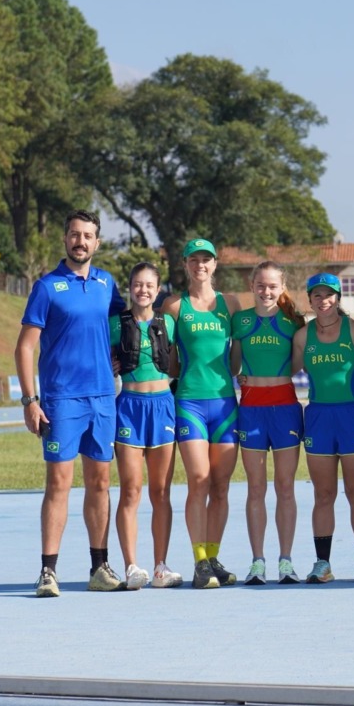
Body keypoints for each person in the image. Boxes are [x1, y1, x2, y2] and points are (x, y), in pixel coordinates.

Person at [16, 209, 127, 597]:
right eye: (75, 235)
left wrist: (119, 355)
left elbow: (121, 327)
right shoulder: (47, 287)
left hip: (102, 398)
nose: (81, 241)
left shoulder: (106, 284)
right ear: (66, 239)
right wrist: (31, 400)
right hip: (62, 400)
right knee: (58, 484)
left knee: (100, 483)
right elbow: (25, 347)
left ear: (97, 243)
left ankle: (99, 567)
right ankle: (48, 571)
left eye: (88, 236)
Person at [160, 238, 242, 589]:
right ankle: (198, 562)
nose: (200, 265)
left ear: (215, 263)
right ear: (186, 264)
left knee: (221, 487)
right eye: (194, 260)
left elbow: (237, 359)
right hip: (190, 403)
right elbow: (167, 357)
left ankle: (212, 557)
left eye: (206, 259)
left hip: (225, 404)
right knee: (199, 479)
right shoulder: (175, 306)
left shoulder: (231, 304)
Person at [296, 273, 354, 583]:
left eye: (329, 294)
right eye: (317, 295)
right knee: (323, 494)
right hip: (318, 416)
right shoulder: (303, 337)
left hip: (353, 415)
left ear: (338, 297)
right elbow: (285, 367)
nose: (323, 300)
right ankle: (322, 564)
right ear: (310, 299)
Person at [231, 261, 305, 585]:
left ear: (282, 287)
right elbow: (232, 364)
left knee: (285, 487)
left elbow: (303, 363)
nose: (266, 291)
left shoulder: (294, 323)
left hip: (286, 407)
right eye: (261, 285)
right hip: (251, 408)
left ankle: (286, 561)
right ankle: (257, 562)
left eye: (273, 286)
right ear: (252, 285)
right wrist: (242, 377)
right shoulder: (241, 321)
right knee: (256, 488)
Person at [110, 262, 183, 590]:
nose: (143, 290)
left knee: (161, 491)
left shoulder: (168, 322)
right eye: (137, 284)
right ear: (130, 288)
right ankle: (131, 566)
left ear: (157, 290)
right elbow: (101, 359)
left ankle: (161, 567)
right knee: (131, 490)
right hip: (129, 407)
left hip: (163, 407)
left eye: (149, 285)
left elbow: (183, 360)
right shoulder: (115, 323)